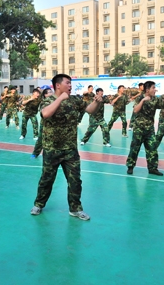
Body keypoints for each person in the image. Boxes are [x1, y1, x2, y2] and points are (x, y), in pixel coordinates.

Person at [30, 74, 100, 220]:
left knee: (75, 180)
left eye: (70, 83)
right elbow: (46, 114)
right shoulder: (47, 101)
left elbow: (89, 110)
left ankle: (75, 209)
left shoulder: (75, 100)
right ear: (58, 85)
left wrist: (97, 102)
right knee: (47, 179)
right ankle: (39, 204)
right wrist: (60, 99)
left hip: (70, 150)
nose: (70, 86)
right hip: (51, 149)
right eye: (67, 83)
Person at [126, 81, 164, 176]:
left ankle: (153, 168)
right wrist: (143, 101)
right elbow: (136, 110)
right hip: (139, 129)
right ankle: (130, 166)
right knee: (134, 148)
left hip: (149, 129)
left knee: (152, 149)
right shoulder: (139, 98)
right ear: (147, 90)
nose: (155, 90)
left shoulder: (155, 99)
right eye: (153, 88)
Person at [31, 88, 53, 158]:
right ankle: (35, 153)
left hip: (54, 125)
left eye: (51, 92)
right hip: (45, 124)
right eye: (49, 92)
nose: (51, 93)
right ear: (45, 95)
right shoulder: (44, 102)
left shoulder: (56, 100)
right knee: (41, 139)